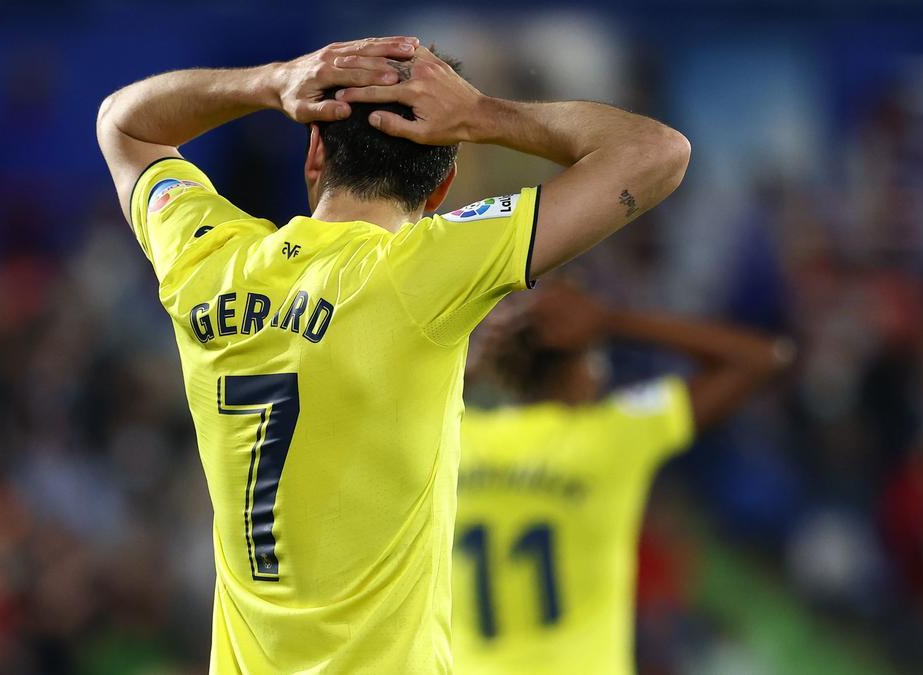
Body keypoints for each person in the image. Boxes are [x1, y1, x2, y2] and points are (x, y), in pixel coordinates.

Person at [96, 36, 690, 673]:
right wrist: (482, 114)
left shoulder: (209, 259)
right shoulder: (422, 273)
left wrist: (272, 82)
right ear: (442, 188)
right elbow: (656, 153)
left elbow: (124, 124)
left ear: (316, 149)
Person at [454, 283, 792, 674]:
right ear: (583, 370)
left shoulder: (461, 441)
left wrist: (479, 355)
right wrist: (612, 320)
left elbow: (406, 411)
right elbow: (764, 357)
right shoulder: (609, 439)